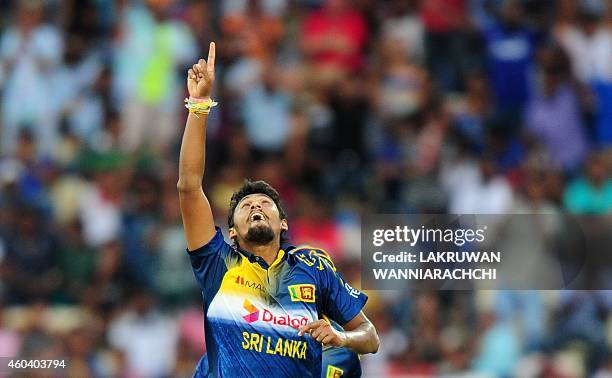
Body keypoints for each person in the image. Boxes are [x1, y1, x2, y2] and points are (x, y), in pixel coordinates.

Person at [177, 42, 379, 377]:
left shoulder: (314, 267)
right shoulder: (217, 263)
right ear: (232, 232)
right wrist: (199, 105)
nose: (256, 206)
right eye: (245, 206)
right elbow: (188, 186)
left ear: (283, 223)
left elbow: (370, 338)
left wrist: (342, 338)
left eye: (265, 203)